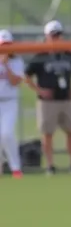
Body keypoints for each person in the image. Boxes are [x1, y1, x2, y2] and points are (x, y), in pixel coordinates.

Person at [24, 20, 71, 175]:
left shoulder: (68, 54)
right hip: (48, 102)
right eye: (53, 35)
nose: (56, 38)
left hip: (65, 99)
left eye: (58, 35)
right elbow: (27, 76)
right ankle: (50, 165)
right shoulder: (40, 55)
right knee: (47, 133)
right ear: (47, 37)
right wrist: (40, 90)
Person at [0, 30, 24, 178]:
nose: (5, 48)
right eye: (3, 45)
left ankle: (16, 168)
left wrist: (6, 65)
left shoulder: (17, 61)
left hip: (9, 102)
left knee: (7, 134)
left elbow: (15, 82)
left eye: (8, 45)